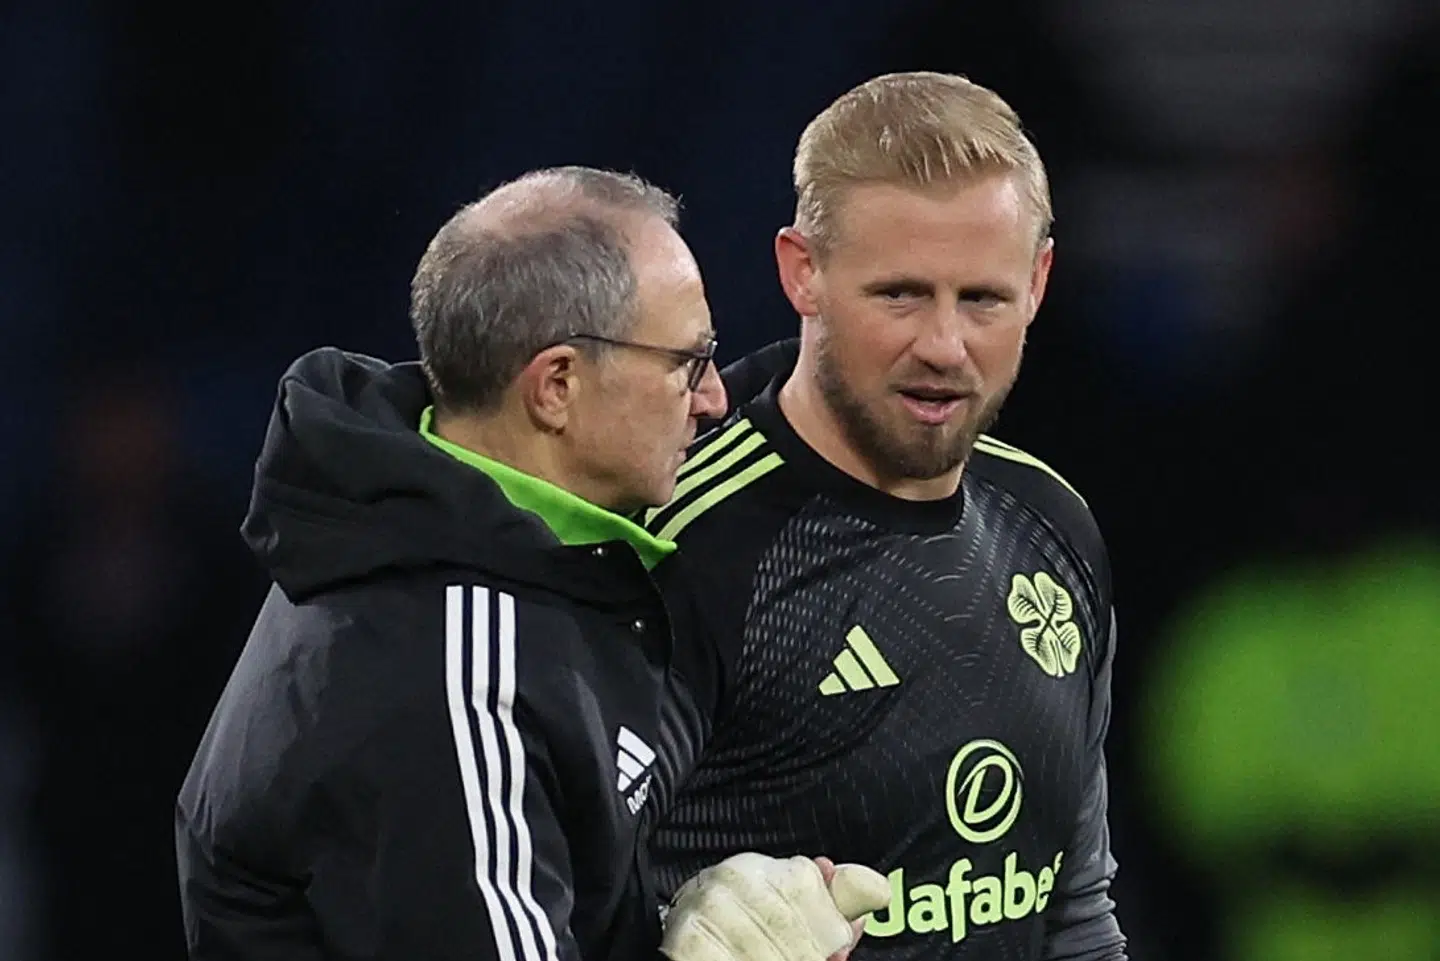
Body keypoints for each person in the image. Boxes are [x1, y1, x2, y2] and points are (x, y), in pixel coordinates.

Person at [175, 165, 887, 961]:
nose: (714, 397)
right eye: (687, 361)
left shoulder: (478, 554)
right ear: (556, 385)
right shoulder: (447, 672)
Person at [644, 73, 1128, 959]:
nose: (943, 346)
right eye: (900, 294)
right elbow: (539, 902)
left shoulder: (1053, 525)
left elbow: (1073, 911)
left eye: (981, 298)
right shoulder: (677, 542)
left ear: (1038, 281)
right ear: (804, 272)